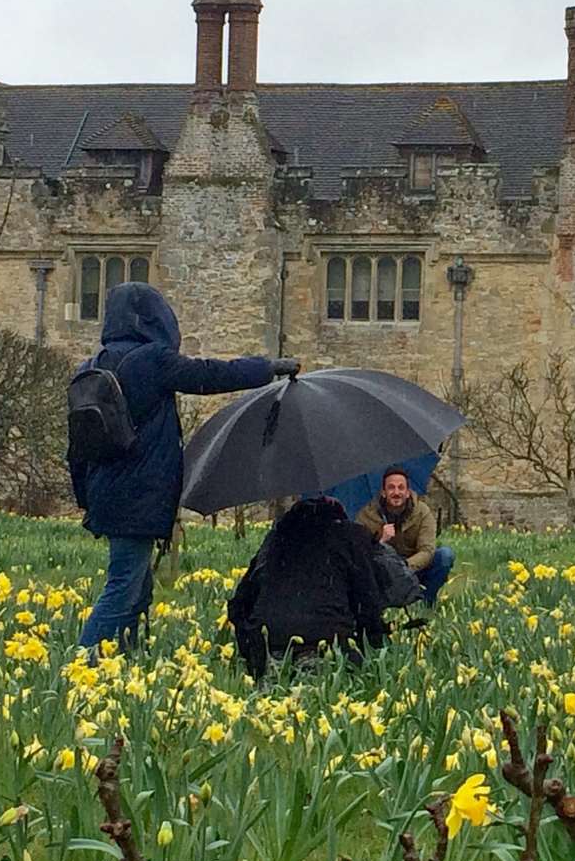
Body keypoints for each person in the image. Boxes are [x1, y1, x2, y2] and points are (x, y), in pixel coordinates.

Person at [68, 282, 297, 652]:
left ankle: (125, 660)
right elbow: (208, 375)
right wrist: (266, 368)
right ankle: (82, 664)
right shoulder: (150, 360)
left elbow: (76, 448)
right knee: (123, 584)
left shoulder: (91, 365)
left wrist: (87, 498)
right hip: (137, 493)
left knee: (137, 585)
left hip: (104, 491)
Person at [227, 496, 389, 678]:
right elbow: (367, 601)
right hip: (328, 642)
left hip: (271, 644)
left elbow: (239, 604)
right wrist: (373, 645)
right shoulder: (350, 536)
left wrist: (251, 647)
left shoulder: (277, 537)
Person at [353, 467, 455, 607]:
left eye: (401, 488)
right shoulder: (367, 515)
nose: (396, 492)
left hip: (413, 568)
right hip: (382, 573)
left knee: (445, 555)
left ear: (408, 493)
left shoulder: (422, 512)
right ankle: (377, 607)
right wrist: (380, 541)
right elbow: (358, 553)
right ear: (383, 492)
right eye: (391, 488)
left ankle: (425, 602)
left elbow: (427, 550)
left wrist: (405, 566)